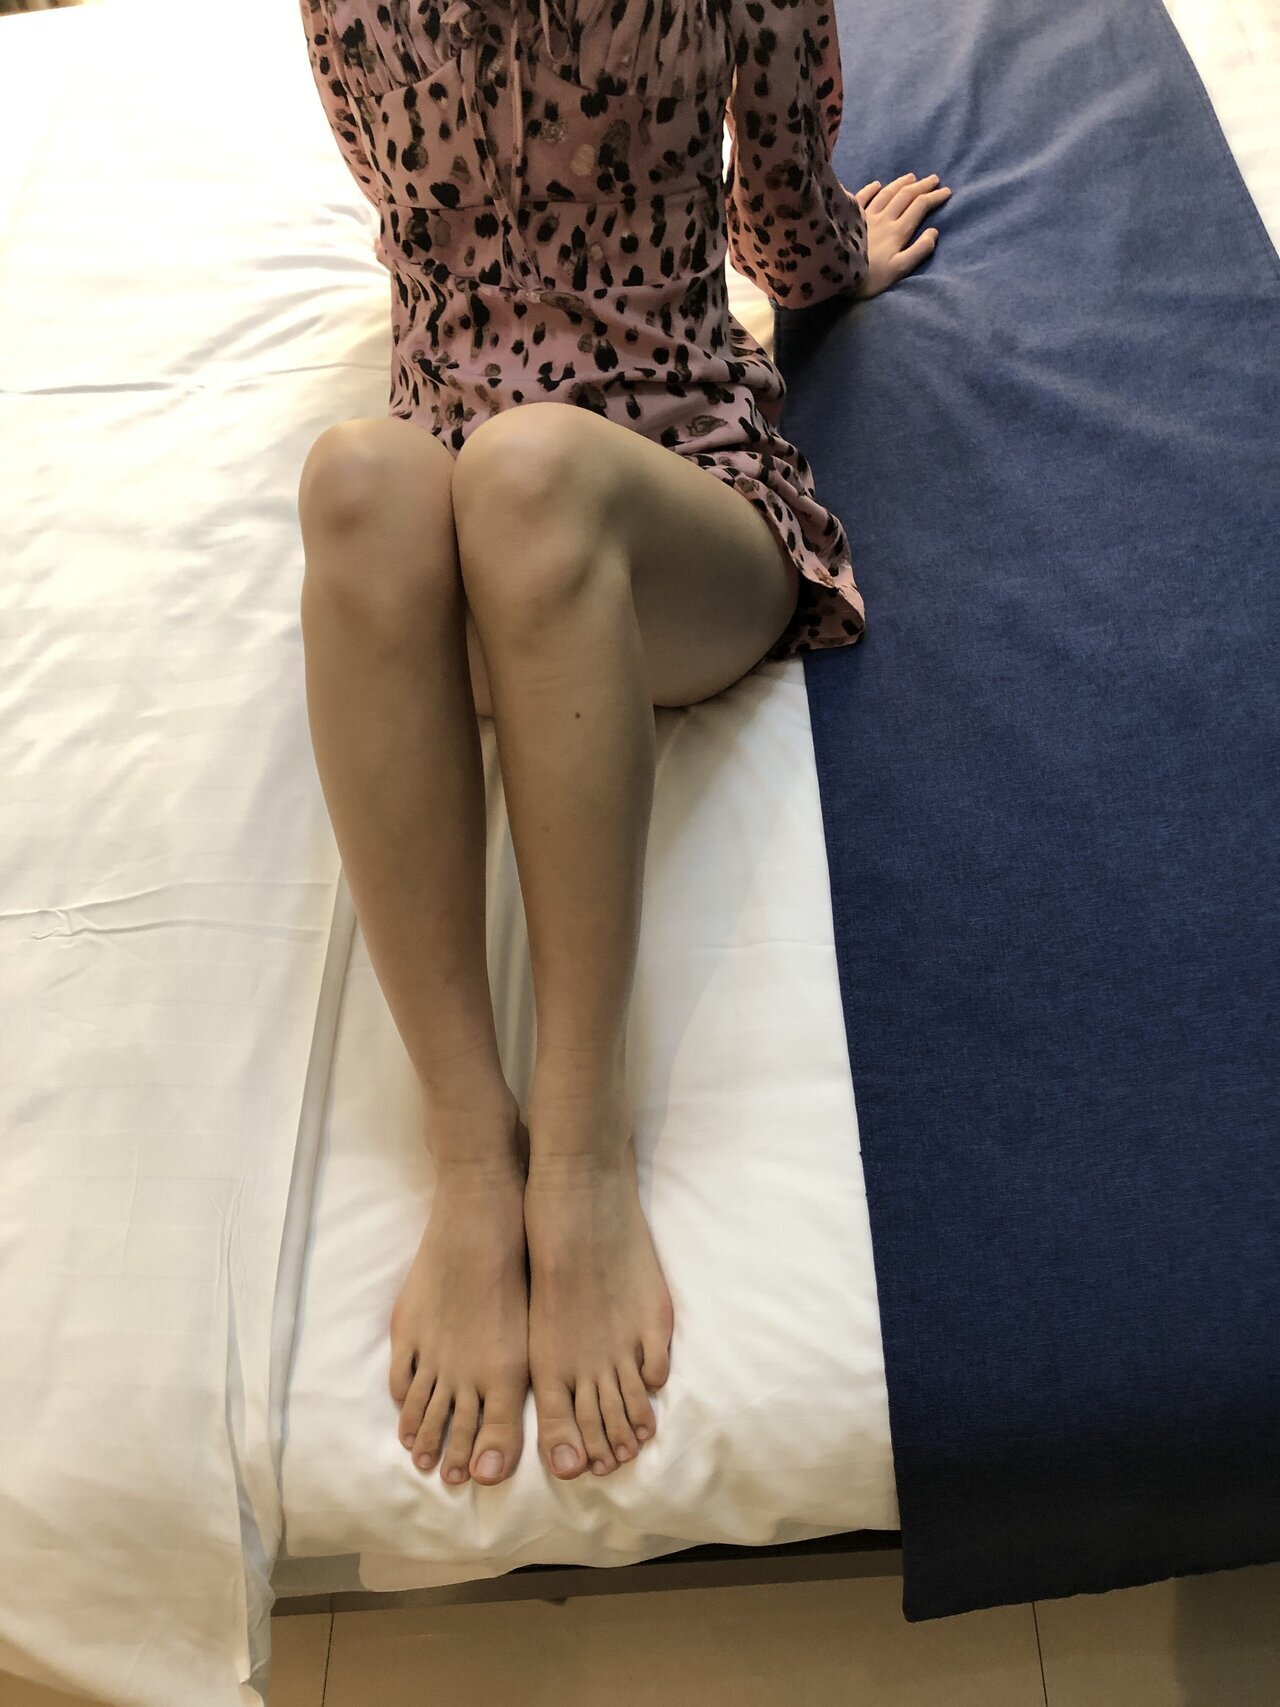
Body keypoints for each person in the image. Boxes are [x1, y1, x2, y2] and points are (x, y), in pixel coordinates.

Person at [295, 0, 950, 1491]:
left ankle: (581, 1147)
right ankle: (476, 1154)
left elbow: (396, 204)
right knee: (356, 486)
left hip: (668, 528)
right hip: (507, 527)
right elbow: (784, 219)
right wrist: (836, 259)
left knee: (518, 472)